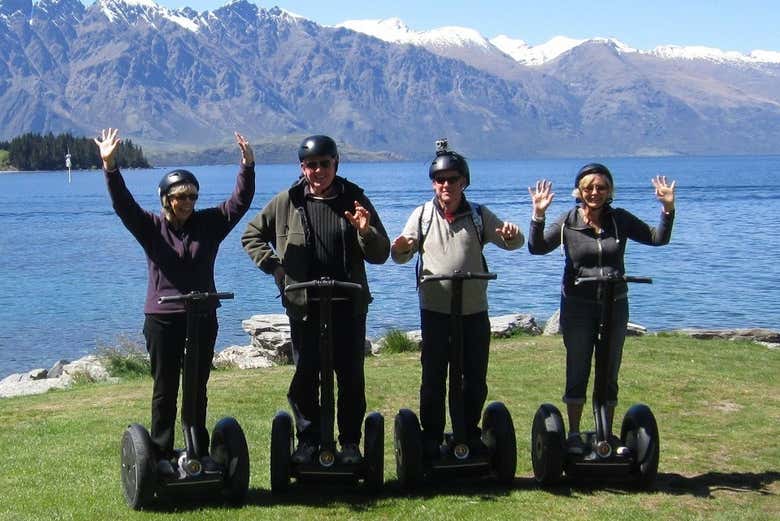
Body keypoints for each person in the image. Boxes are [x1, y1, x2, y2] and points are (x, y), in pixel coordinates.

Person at [95, 127, 256, 475]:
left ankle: (197, 449)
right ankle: (162, 453)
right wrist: (110, 167)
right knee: (165, 388)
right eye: (180, 197)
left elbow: (239, 203)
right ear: (166, 199)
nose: (187, 203)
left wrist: (247, 167)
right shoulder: (151, 227)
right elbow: (124, 205)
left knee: (197, 386)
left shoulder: (209, 224)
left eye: (192, 197)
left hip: (202, 316)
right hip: (163, 318)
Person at [241, 135, 390, 464]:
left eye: (325, 163)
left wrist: (365, 231)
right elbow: (251, 235)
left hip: (348, 305)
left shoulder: (355, 198)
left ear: (336, 163)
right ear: (302, 167)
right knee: (306, 376)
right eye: (311, 165)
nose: (318, 170)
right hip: (304, 307)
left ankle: (349, 443)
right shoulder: (287, 201)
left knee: (350, 377)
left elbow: (381, 254)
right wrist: (276, 269)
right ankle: (308, 441)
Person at [527, 163, 676, 455]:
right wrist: (538, 215)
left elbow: (658, 238)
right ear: (579, 191)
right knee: (578, 368)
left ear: (610, 191)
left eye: (601, 187)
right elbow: (537, 247)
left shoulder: (619, 220)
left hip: (614, 305)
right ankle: (573, 434)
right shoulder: (568, 221)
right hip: (578, 306)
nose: (595, 192)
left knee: (609, 369)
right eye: (589, 187)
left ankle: (605, 434)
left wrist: (667, 209)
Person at [390, 138, 523, 458]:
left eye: (452, 179)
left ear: (463, 181)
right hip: (435, 310)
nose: (446, 185)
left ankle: (468, 431)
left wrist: (512, 235)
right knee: (433, 376)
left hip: (473, 310)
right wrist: (401, 247)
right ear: (433, 184)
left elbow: (512, 243)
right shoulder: (422, 215)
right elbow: (401, 254)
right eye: (440, 180)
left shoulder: (479, 215)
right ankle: (432, 436)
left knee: (473, 378)